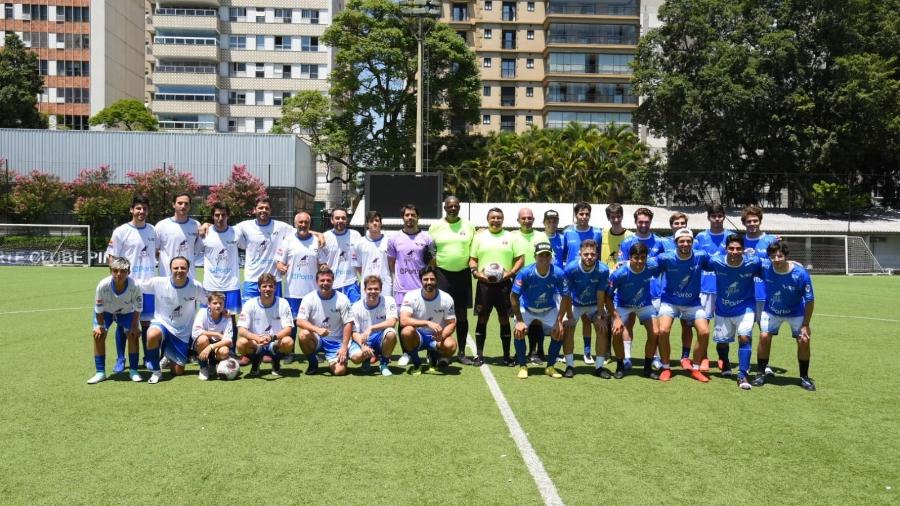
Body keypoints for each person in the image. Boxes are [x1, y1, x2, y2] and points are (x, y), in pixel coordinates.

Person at [702, 234, 763, 390]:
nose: (734, 251)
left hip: (746, 307)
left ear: (743, 250)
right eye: (731, 248)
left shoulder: (753, 262)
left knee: (744, 337)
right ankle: (725, 362)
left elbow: (771, 265)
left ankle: (743, 374)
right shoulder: (716, 262)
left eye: (738, 248)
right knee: (722, 342)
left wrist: (790, 262)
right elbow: (698, 264)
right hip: (723, 308)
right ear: (726, 249)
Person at [754, 242, 816, 391]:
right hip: (771, 311)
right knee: (764, 336)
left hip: (796, 312)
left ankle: (804, 377)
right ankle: (761, 373)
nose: (776, 259)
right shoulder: (765, 268)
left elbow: (810, 300)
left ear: (786, 256)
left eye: (780, 256)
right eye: (773, 256)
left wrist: (806, 324)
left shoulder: (800, 274)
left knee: (804, 340)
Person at [106, 194, 157, 372]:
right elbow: (112, 258)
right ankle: (121, 359)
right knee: (123, 324)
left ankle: (149, 358)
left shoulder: (153, 230)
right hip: (128, 286)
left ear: (148, 211)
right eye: (138, 208)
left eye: (144, 208)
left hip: (149, 285)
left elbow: (158, 252)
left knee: (146, 323)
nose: (141, 211)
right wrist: (118, 283)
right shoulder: (121, 231)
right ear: (131, 210)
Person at [469, 207, 525, 366]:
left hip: (504, 285)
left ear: (503, 219)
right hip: (484, 285)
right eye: (493, 217)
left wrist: (511, 272)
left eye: (499, 218)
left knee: (504, 319)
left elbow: (520, 258)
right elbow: (472, 259)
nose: (496, 220)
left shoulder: (510, 237)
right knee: (482, 318)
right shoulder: (479, 237)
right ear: (488, 219)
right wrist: (476, 272)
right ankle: (479, 355)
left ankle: (506, 356)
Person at [655, 229, 712, 382]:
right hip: (670, 302)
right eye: (682, 241)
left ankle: (696, 368)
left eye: (688, 241)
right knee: (663, 330)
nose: (685, 244)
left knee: (704, 332)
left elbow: (720, 263)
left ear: (693, 242)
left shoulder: (701, 256)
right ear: (676, 243)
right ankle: (666, 367)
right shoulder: (666, 258)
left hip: (693, 303)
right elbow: (647, 266)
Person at [511, 242, 572, 379]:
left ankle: (550, 366)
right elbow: (513, 296)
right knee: (519, 331)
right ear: (535, 256)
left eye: (547, 255)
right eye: (540, 256)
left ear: (551, 257)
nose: (544, 259)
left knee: (558, 332)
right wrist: (520, 321)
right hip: (527, 307)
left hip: (548, 308)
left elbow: (565, 296)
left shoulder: (558, 273)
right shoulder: (525, 273)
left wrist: (559, 321)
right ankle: (523, 366)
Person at [140, 256, 206, 384]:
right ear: (170, 269)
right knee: (152, 334)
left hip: (182, 333)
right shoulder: (158, 282)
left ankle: (168, 355)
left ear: (188, 269)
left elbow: (206, 303)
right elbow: (137, 286)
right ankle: (156, 372)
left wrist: (222, 312)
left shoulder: (195, 286)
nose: (179, 270)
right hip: (162, 324)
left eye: (183, 268)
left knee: (177, 371)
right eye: (176, 268)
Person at [429, 196, 476, 364]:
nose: (453, 209)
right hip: (442, 275)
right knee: (441, 315)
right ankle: (439, 351)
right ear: (445, 208)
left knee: (462, 315)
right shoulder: (435, 227)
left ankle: (462, 353)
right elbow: (430, 250)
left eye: (456, 206)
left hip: (463, 275)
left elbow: (474, 250)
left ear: (459, 207)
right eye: (450, 206)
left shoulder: (469, 226)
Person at [388, 204, 435, 366]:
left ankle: (431, 351)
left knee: (427, 319)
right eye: (407, 215)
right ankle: (407, 353)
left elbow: (432, 264)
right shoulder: (394, 239)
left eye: (412, 215)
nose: (410, 218)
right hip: (401, 289)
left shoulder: (427, 238)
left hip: (421, 289)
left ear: (418, 217)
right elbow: (391, 263)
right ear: (403, 217)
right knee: (404, 322)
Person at [617, 207, 665, 370]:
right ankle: (627, 357)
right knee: (627, 325)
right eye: (640, 221)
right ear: (635, 222)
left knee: (654, 330)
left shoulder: (659, 242)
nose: (643, 224)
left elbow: (663, 265)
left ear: (651, 221)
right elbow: (620, 265)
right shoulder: (627, 243)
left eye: (646, 221)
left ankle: (656, 357)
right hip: (630, 292)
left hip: (654, 292)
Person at [607, 242, 660, 379]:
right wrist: (616, 318)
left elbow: (664, 261)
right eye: (636, 257)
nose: (640, 261)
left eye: (643, 257)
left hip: (644, 304)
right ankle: (620, 366)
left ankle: (647, 368)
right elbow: (608, 297)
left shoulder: (651, 266)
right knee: (617, 331)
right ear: (630, 257)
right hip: (623, 305)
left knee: (655, 332)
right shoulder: (619, 273)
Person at [87, 258, 143, 384]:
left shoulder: (135, 286)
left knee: (133, 335)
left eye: (123, 271)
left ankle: (133, 371)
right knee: (98, 335)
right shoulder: (102, 285)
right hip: (106, 312)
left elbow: (138, 308)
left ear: (128, 272)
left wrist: (134, 326)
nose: (119, 274)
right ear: (110, 271)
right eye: (115, 271)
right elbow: (99, 309)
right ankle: (100, 372)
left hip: (126, 312)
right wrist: (100, 326)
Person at [564, 239, 613, 378]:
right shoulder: (571, 268)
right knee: (568, 328)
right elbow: (566, 293)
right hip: (574, 304)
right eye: (586, 254)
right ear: (580, 253)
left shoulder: (603, 269)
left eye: (592, 254)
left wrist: (600, 316)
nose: (589, 257)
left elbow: (600, 293)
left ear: (597, 254)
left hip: (593, 305)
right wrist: (569, 315)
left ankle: (599, 367)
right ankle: (569, 365)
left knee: (602, 328)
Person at [562, 202, 603, 364]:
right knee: (569, 319)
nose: (584, 217)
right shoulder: (567, 232)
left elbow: (596, 256)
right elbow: (565, 255)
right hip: (573, 280)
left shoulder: (597, 233)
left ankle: (587, 352)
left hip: (591, 279)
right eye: (581, 214)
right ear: (576, 215)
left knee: (588, 319)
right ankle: (566, 353)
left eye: (587, 214)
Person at [399, 266, 458, 374]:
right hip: (418, 336)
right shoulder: (411, 296)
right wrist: (427, 323)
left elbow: (451, 323)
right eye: (425, 279)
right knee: (406, 331)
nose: (429, 282)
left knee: (451, 345)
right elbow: (403, 320)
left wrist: (442, 336)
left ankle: (433, 357)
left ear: (437, 280)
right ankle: (417, 363)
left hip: (436, 337)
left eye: (432, 279)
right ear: (421, 280)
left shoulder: (446, 298)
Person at [741, 204, 778, 376]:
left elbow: (779, 262)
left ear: (760, 221)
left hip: (765, 293)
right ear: (744, 223)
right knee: (745, 331)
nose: (752, 224)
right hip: (745, 293)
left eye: (755, 220)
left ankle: (764, 364)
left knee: (765, 332)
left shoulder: (771, 240)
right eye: (749, 221)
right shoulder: (739, 241)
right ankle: (745, 364)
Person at [234, 197, 294, 304]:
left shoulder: (280, 227)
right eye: (260, 207)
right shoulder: (245, 226)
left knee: (274, 315)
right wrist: (208, 225)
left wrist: (319, 235)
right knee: (249, 314)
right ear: (254, 210)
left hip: (274, 281)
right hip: (252, 280)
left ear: (270, 210)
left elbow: (301, 233)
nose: (264, 210)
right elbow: (226, 231)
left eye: (267, 208)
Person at [296, 266, 354, 376]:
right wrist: (317, 329)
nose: (325, 283)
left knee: (340, 372)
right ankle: (313, 362)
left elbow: (348, 323)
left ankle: (334, 360)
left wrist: (344, 347)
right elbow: (299, 321)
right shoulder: (309, 298)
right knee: (303, 334)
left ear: (333, 281)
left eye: (328, 280)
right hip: (317, 339)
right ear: (317, 281)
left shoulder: (342, 299)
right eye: (322, 280)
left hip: (336, 342)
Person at [236, 273, 294, 377]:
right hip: (256, 343)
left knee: (288, 342)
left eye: (270, 286)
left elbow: (288, 328)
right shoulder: (250, 304)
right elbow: (241, 330)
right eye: (264, 286)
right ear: (259, 288)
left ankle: (276, 362)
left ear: (275, 288)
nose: (267, 289)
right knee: (241, 343)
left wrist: (272, 337)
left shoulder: (283, 303)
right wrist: (257, 338)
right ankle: (255, 362)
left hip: (274, 342)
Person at [658, 212, 695, 372]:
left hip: (688, 294)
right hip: (668, 292)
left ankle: (685, 357)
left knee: (687, 326)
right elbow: (651, 260)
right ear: (671, 225)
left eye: (682, 223)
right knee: (663, 328)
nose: (679, 226)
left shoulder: (694, 242)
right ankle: (661, 358)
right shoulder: (663, 243)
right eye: (676, 223)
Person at [694, 202, 728, 371]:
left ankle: (722, 356)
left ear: (724, 217)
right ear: (708, 218)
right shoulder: (700, 237)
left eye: (720, 216)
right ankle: (704, 356)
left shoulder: (731, 236)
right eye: (713, 216)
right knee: (704, 323)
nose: (717, 219)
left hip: (725, 288)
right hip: (705, 288)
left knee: (722, 324)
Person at [276, 211, 322, 330]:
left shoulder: (317, 241)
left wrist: (324, 268)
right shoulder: (288, 240)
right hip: (292, 293)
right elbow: (279, 262)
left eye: (306, 222)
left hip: (312, 293)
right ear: (295, 223)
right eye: (300, 222)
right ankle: (290, 349)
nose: (303, 224)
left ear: (309, 224)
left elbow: (322, 264)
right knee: (291, 328)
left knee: (311, 328)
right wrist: (280, 266)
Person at [350, 275, 399, 376]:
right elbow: (354, 333)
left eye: (376, 289)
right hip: (363, 339)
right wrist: (363, 346)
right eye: (370, 289)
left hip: (380, 338)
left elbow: (392, 322)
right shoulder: (356, 307)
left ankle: (384, 364)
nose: (373, 291)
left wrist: (371, 328)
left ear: (381, 289)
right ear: (364, 290)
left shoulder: (389, 301)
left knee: (391, 334)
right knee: (355, 358)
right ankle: (366, 360)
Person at [200, 202, 241, 321]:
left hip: (231, 286)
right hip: (210, 285)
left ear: (228, 216)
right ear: (213, 216)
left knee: (230, 319)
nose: (220, 218)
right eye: (217, 215)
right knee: (209, 318)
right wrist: (205, 224)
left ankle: (231, 340)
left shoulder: (236, 232)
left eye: (223, 215)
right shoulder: (206, 233)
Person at [320, 207, 362, 303]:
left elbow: (361, 260)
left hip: (351, 283)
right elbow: (321, 262)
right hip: (332, 285)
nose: (340, 220)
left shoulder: (356, 235)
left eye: (343, 218)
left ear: (347, 220)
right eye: (337, 218)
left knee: (354, 313)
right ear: (332, 220)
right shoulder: (325, 237)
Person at [155, 192, 201, 278]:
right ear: (173, 204)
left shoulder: (196, 225)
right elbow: (154, 249)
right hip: (166, 276)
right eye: (180, 203)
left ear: (190, 206)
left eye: (186, 204)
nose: (183, 206)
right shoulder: (161, 225)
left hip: (189, 276)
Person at [191, 291, 235, 380]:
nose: (218, 305)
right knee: (203, 339)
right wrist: (216, 334)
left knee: (224, 351)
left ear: (224, 304)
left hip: (215, 346)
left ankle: (212, 365)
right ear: (209, 304)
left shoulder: (227, 316)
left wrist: (211, 346)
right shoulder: (202, 312)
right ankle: (203, 367)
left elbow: (228, 340)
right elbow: (195, 332)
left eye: (220, 303)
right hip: (203, 344)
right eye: (214, 303)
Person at [355, 210, 393, 304]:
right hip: (367, 285)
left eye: (377, 220)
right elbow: (358, 267)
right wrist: (363, 280)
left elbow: (392, 264)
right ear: (367, 224)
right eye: (371, 221)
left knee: (385, 311)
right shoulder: (359, 243)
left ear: (381, 223)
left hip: (385, 284)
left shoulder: (389, 241)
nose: (374, 223)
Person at [599, 203, 632, 270]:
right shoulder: (602, 233)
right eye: (613, 217)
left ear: (622, 216)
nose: (616, 220)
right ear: (608, 218)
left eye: (618, 216)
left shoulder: (630, 236)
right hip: (604, 275)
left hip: (623, 275)